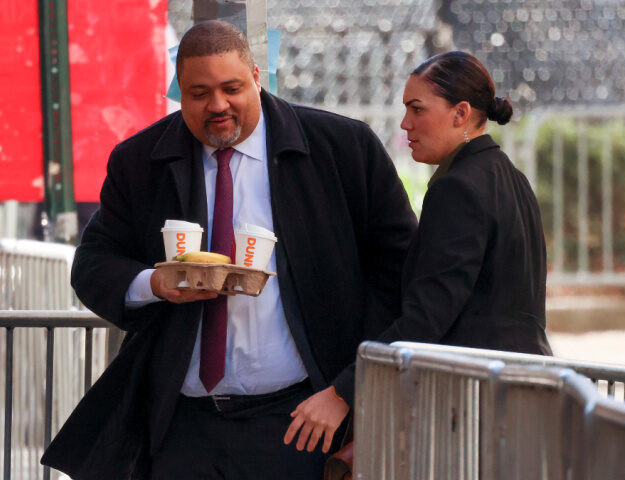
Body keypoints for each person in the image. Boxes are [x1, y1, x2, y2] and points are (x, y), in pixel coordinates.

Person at [41, 20, 417, 480]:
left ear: (257, 77)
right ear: (179, 92)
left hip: (301, 420)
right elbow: (93, 264)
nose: (217, 106)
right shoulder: (141, 162)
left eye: (232, 87)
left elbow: (399, 273)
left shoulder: (342, 149)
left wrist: (346, 391)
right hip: (181, 425)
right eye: (199, 93)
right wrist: (155, 283)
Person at [376, 50, 553, 353]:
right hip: (520, 378)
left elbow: (429, 315)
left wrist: (350, 381)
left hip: (478, 386)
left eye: (417, 110)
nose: (406, 124)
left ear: (460, 114)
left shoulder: (457, 187)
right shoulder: (510, 176)